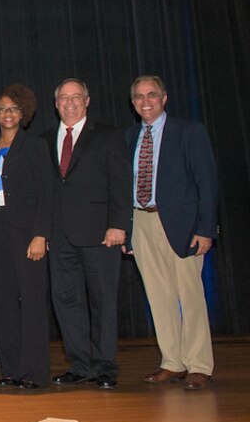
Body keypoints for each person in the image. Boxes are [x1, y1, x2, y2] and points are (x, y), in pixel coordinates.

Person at [125, 75, 218, 391]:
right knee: (158, 296)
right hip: (142, 223)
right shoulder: (130, 137)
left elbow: (207, 182)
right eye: (138, 96)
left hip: (182, 226)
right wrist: (127, 232)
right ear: (133, 102)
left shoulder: (188, 132)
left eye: (151, 95)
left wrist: (206, 229)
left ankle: (199, 365)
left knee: (190, 296)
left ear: (164, 98)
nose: (145, 101)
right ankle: (172, 362)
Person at [43, 78, 131, 390]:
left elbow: (121, 184)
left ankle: (105, 366)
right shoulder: (43, 140)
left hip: (100, 234)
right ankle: (80, 364)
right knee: (66, 301)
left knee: (103, 300)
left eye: (76, 97)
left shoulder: (108, 136)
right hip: (60, 236)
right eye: (63, 98)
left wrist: (119, 224)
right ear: (55, 104)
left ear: (87, 101)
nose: (69, 102)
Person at [0, 86, 53, 389]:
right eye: (2, 109)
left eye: (13, 109)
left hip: (27, 234)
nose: (7, 114)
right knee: (2, 303)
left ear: (24, 113)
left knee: (31, 302)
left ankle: (34, 372)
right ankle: (13, 370)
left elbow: (47, 194)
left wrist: (41, 234)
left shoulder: (35, 147)